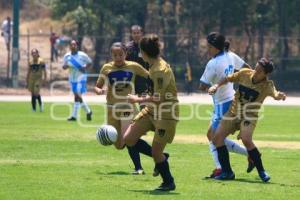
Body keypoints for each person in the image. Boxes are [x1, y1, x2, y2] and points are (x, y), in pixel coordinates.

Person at [209, 58, 286, 182]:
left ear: (266, 74)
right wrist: (216, 85)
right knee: (217, 139)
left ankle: (262, 171)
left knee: (246, 139)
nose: (255, 71)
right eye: (256, 68)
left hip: (249, 116)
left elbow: (275, 94)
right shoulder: (244, 73)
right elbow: (228, 78)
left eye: (260, 71)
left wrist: (279, 96)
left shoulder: (267, 85)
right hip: (233, 112)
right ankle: (227, 172)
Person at [124, 34, 178, 191]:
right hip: (151, 110)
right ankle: (162, 158)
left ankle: (168, 182)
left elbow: (159, 98)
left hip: (166, 113)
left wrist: (137, 99)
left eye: (140, 51)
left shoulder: (160, 70)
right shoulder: (152, 66)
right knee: (129, 138)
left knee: (156, 151)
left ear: (144, 52)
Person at [94, 42, 155, 175]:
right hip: (111, 109)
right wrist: (99, 90)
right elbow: (97, 86)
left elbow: (150, 76)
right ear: (111, 55)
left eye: (121, 54)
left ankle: (139, 168)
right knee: (119, 144)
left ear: (125, 54)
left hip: (128, 107)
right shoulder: (106, 68)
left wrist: (153, 89)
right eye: (115, 55)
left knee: (129, 137)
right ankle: (160, 155)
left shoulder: (133, 66)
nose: (118, 57)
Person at [199, 32, 254, 178]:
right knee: (212, 135)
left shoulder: (213, 63)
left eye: (208, 47)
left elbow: (202, 86)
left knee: (216, 138)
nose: (207, 49)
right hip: (230, 101)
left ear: (214, 47)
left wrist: (211, 84)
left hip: (223, 104)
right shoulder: (230, 55)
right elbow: (247, 69)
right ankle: (248, 154)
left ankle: (224, 170)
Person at [62, 40, 92, 121]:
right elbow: (63, 66)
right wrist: (66, 66)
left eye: (74, 44)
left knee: (77, 95)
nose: (73, 46)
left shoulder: (82, 55)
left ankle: (74, 116)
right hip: (72, 79)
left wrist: (84, 67)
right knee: (77, 97)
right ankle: (88, 111)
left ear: (77, 46)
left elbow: (89, 62)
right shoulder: (67, 56)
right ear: (69, 46)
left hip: (81, 78)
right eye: (71, 45)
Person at [125, 25, 149, 96]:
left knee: (143, 103)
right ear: (131, 34)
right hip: (130, 79)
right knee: (129, 103)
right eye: (134, 33)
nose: (136, 35)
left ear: (141, 33)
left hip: (143, 80)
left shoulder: (146, 46)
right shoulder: (127, 47)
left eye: (138, 33)